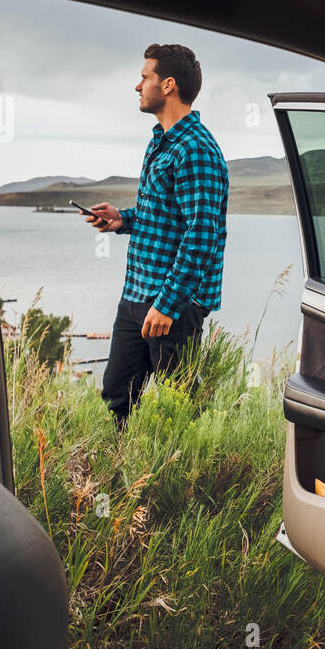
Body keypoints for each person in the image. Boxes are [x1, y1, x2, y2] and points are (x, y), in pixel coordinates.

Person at [87, 43, 228, 428]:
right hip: (135, 295)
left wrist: (167, 305)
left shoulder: (197, 150)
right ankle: (118, 479)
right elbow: (162, 218)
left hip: (172, 305)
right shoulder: (160, 142)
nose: (138, 86)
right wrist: (122, 220)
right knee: (116, 396)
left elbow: (201, 235)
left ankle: (192, 478)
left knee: (180, 405)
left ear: (167, 85)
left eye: (144, 77)